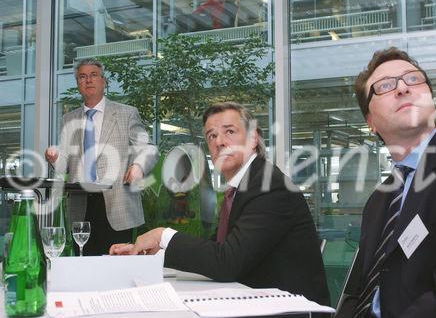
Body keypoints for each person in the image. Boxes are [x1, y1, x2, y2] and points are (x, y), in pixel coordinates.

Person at [110, 102, 330, 307]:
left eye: (230, 132)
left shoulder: (269, 186)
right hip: (254, 301)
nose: (219, 142)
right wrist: (153, 252)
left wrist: (163, 234)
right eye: (211, 136)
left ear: (253, 139)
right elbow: (217, 248)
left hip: (288, 309)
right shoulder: (241, 186)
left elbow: (227, 263)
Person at [335, 47, 436, 317]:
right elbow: (357, 292)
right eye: (385, 86)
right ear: (370, 122)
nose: (402, 88)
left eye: (413, 79)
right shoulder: (379, 200)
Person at [45, 58, 158, 255]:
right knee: (85, 264)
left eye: (93, 75)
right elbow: (66, 165)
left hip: (118, 205)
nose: (88, 80)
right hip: (81, 204)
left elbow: (148, 148)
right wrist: (55, 159)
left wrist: (138, 167)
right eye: (82, 76)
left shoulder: (126, 113)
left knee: (118, 268)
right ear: (78, 84)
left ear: (103, 81)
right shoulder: (68, 119)